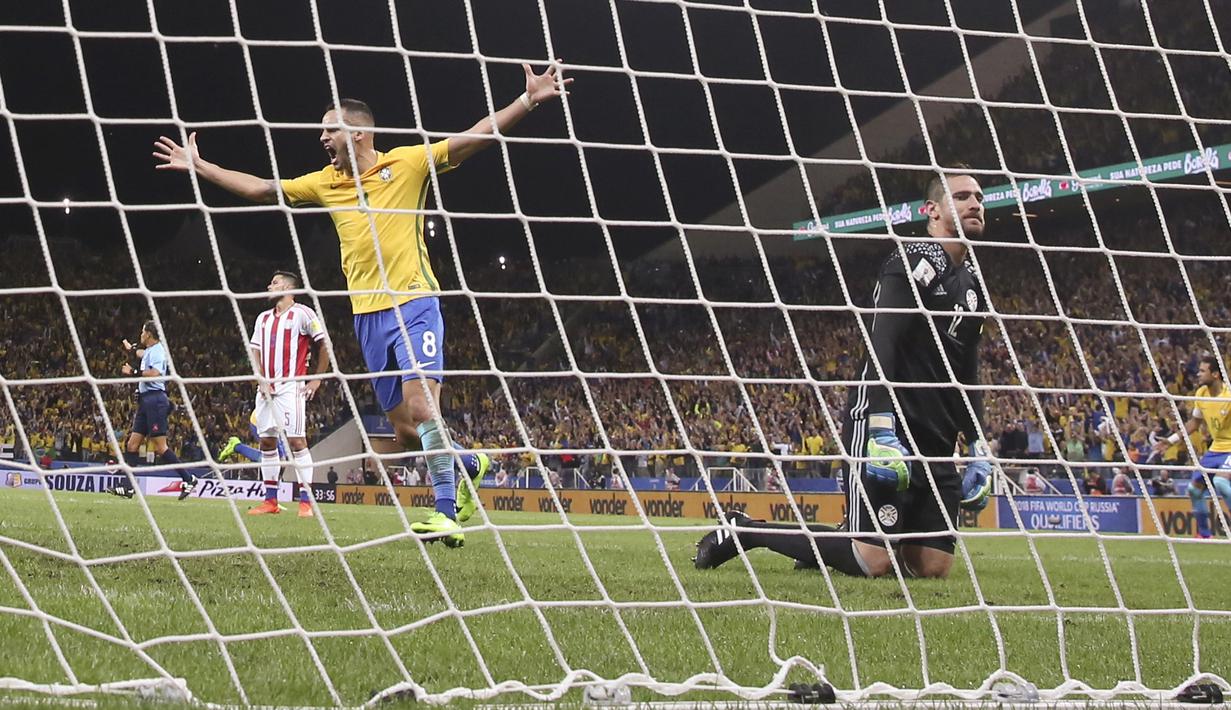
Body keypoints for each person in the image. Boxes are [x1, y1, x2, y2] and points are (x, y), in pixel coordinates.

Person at [151, 66, 570, 542]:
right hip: (367, 318)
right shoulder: (325, 183)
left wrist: (528, 100)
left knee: (422, 407)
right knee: (406, 430)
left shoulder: (407, 164)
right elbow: (263, 189)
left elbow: (475, 137)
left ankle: (446, 512)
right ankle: (470, 463)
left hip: (414, 302)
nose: (322, 137)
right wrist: (201, 166)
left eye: (330, 128)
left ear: (359, 132)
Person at [694, 169, 994, 578]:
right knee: (874, 561)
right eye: (961, 196)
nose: (975, 202)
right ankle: (746, 530)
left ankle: (829, 544)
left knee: (933, 568)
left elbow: (968, 370)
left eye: (978, 195)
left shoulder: (974, 285)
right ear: (932, 210)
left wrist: (976, 441)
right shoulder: (911, 261)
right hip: (890, 423)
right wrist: (882, 426)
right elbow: (881, 343)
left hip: (937, 437)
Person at [242, 271, 331, 518]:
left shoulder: (303, 313)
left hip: (291, 387)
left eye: (275, 282)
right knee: (267, 442)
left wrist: (317, 378)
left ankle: (306, 502)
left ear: (289, 288)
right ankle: (270, 501)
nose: (269, 286)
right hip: (265, 389)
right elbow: (255, 351)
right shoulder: (262, 319)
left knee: (296, 442)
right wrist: (260, 378)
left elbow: (324, 344)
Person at [108, 321, 198, 499]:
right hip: (146, 401)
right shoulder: (151, 350)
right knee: (132, 445)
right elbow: (142, 354)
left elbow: (156, 373)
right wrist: (131, 350)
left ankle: (189, 479)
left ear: (148, 334)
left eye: (142, 332)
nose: (140, 335)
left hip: (155, 400)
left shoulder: (158, 351)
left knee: (160, 447)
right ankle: (128, 487)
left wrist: (133, 372)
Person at [1153, 355, 1231, 538]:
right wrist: (1171, 440)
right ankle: (1204, 535)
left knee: (1220, 482)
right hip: (1216, 448)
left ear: (1215, 374)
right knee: (1194, 489)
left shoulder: (1228, 396)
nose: (1198, 374)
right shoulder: (1201, 394)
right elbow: (1194, 423)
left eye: (1203, 371)